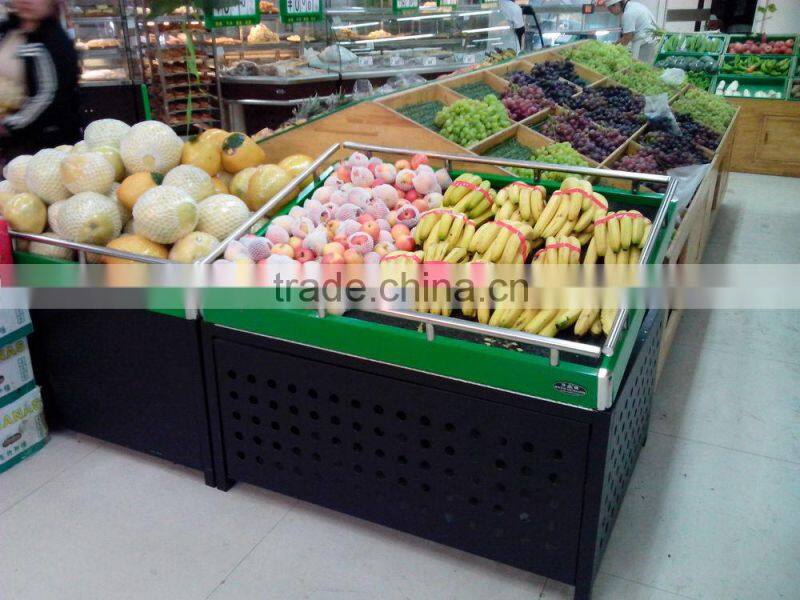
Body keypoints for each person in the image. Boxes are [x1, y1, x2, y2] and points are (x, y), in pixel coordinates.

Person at [0, 0, 80, 162]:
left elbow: (48, 97)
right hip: (11, 144)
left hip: (44, 148)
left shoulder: (55, 43)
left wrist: (7, 125)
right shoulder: (7, 30)